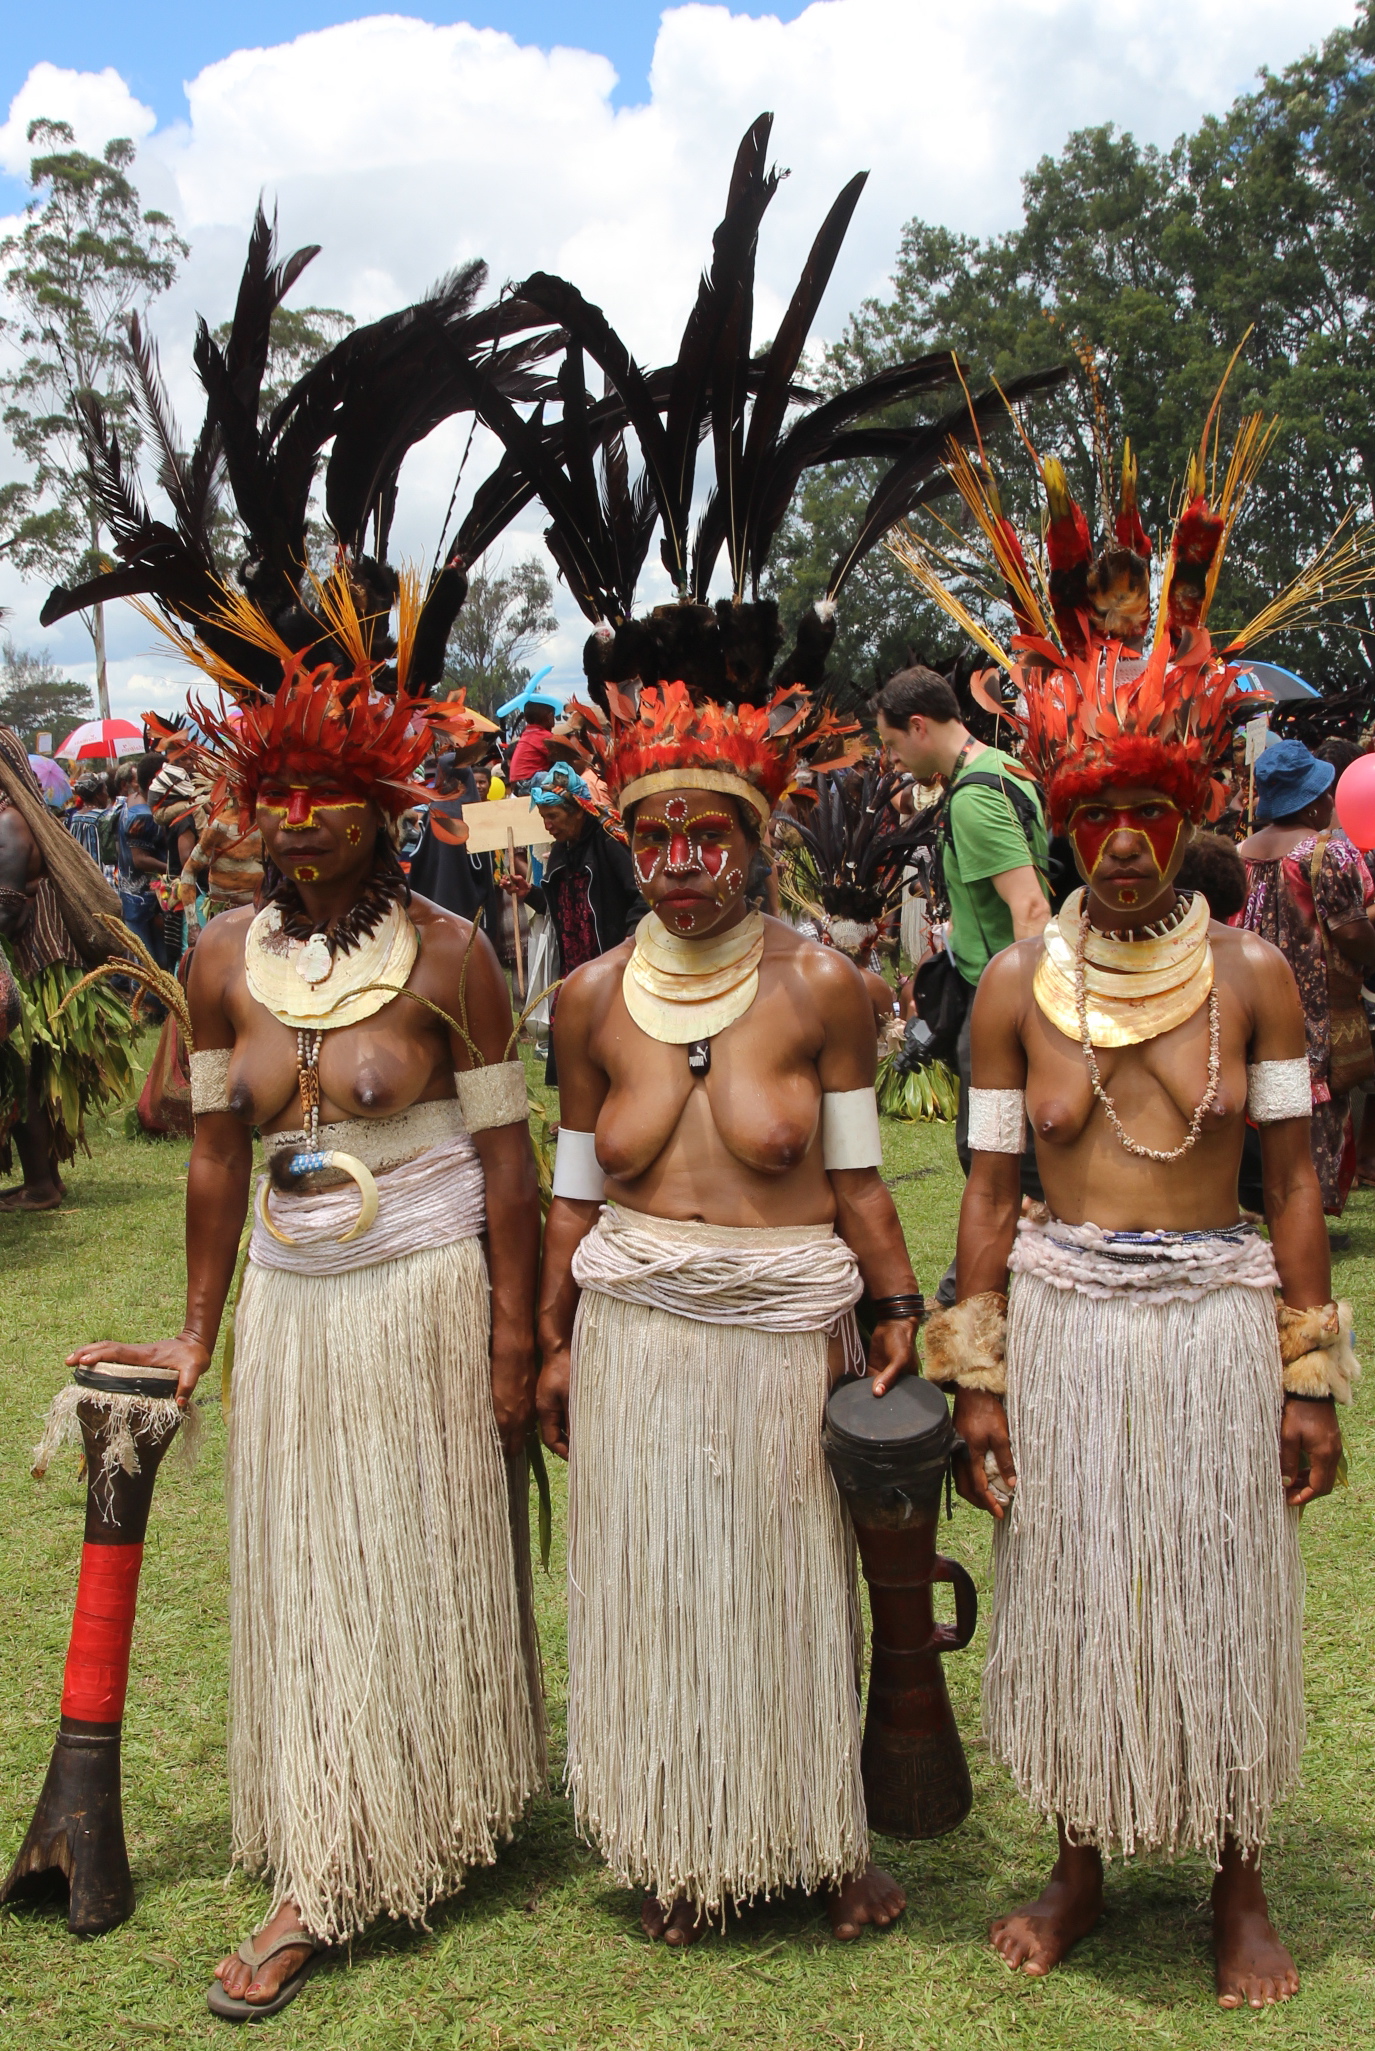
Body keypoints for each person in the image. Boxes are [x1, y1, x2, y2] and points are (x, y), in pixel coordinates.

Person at [910, 434, 1352, 2010]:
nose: (1115, 841)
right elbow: (986, 1190)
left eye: (1146, 811)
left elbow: (1289, 1182)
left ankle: (1235, 1873)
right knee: (1076, 1594)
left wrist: (1306, 1374)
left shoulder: (1252, 976)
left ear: (1188, 810)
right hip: (1065, 1324)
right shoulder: (1011, 987)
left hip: (1212, 1321)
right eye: (1092, 810)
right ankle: (1080, 1858)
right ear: (1057, 811)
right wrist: (974, 1377)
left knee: (1216, 1592)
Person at [70, 616, 543, 2021]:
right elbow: (217, 1153)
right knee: (316, 1562)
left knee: (416, 1550)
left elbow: (507, 1165)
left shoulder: (454, 955)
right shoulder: (220, 956)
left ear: (384, 808)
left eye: (325, 792)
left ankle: (413, 1816)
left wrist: (515, 1339)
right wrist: (197, 1330)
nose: (294, 817)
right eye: (274, 792)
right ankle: (337, 1821)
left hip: (421, 1292)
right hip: (291, 1303)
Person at [535, 679, 919, 1948]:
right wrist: (549, 1341)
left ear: (758, 841)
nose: (680, 863)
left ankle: (823, 1834)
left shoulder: (823, 987)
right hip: (637, 1332)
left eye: (708, 835)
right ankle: (686, 1837)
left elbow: (856, 1181)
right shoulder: (589, 997)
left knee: (792, 1585)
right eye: (654, 838)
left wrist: (898, 1309)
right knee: (662, 1587)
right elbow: (573, 1196)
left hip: (780, 1333)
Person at [875, 667, 1049, 1293]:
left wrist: (1029, 1023)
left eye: (893, 743)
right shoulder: (1005, 769)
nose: (893, 760)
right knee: (1004, 1153)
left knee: (993, 1155)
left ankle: (975, 1288)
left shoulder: (974, 798)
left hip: (1004, 1003)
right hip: (999, 992)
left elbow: (1031, 907)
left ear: (919, 726)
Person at [1236, 740, 1375, 1214]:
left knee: (1260, 1100)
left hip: (1251, 998)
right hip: (1315, 1009)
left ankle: (1261, 1199)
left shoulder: (1239, 853)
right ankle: (1306, 1213)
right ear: (1313, 802)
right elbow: (1351, 930)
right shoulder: (1326, 852)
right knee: (1317, 1106)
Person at [0, 727, 132, 1211]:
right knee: (34, 1077)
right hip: (43, 964)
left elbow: (6, 910)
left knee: (27, 1076)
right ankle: (45, 1180)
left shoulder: (8, 823)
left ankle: (40, 1185)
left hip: (38, 967)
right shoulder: (20, 818)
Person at [504, 761, 646, 1082]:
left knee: (613, 1051)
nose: (548, 826)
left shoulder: (610, 842)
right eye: (544, 818)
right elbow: (562, 909)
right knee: (576, 1057)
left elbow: (642, 894)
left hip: (612, 966)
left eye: (553, 816)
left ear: (579, 811)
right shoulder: (561, 850)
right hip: (573, 972)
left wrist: (629, 943)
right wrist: (529, 894)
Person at [407, 749, 502, 935]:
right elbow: (485, 866)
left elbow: (420, 859)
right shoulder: (474, 814)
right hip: (471, 912)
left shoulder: (433, 813)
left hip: (434, 908)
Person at [505, 697, 559, 789]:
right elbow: (562, 756)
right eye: (554, 716)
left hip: (517, 785)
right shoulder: (544, 736)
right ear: (550, 716)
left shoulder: (527, 733)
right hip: (529, 782)